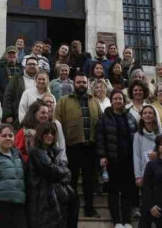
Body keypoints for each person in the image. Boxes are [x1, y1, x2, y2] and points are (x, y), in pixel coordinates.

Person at [54, 73, 104, 218]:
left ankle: (89, 209)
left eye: (84, 82)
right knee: (72, 180)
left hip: (91, 147)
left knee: (89, 181)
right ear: (73, 84)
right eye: (78, 82)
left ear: (87, 84)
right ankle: (70, 209)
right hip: (72, 147)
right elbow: (57, 124)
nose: (81, 84)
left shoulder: (94, 101)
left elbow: (100, 123)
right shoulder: (63, 101)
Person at [97, 89, 138, 228]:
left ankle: (126, 221)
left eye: (120, 98)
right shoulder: (105, 117)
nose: (118, 101)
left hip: (128, 161)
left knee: (127, 192)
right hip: (112, 161)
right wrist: (102, 155)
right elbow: (100, 137)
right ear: (111, 100)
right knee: (113, 192)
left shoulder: (130, 117)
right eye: (115, 98)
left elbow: (136, 136)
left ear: (124, 100)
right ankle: (116, 222)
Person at [26, 122, 78, 228]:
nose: (50, 136)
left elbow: (59, 173)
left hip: (52, 198)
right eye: (46, 133)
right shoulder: (36, 151)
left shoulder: (52, 152)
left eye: (52, 133)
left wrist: (63, 173)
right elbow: (51, 170)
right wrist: (66, 172)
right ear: (40, 134)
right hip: (42, 200)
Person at [133, 105, 162, 225]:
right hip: (145, 174)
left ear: (154, 115)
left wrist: (158, 153)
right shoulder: (138, 135)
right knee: (146, 209)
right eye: (145, 113)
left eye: (150, 113)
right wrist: (138, 176)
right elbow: (136, 156)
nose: (147, 115)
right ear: (141, 116)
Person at [16, 99, 66, 163]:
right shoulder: (23, 132)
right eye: (43, 113)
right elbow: (18, 153)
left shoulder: (49, 130)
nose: (45, 116)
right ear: (34, 113)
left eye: (47, 113)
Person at [2, 57, 39, 126]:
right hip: (19, 117)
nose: (32, 66)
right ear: (25, 67)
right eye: (29, 64)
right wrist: (8, 115)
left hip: (38, 117)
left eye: (34, 64)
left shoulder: (41, 80)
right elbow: (8, 96)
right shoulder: (16, 78)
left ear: (38, 67)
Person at [41, 93, 68, 164]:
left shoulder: (57, 123)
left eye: (51, 102)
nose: (49, 103)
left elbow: (61, 143)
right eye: (47, 101)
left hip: (56, 160)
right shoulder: (39, 122)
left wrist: (63, 160)